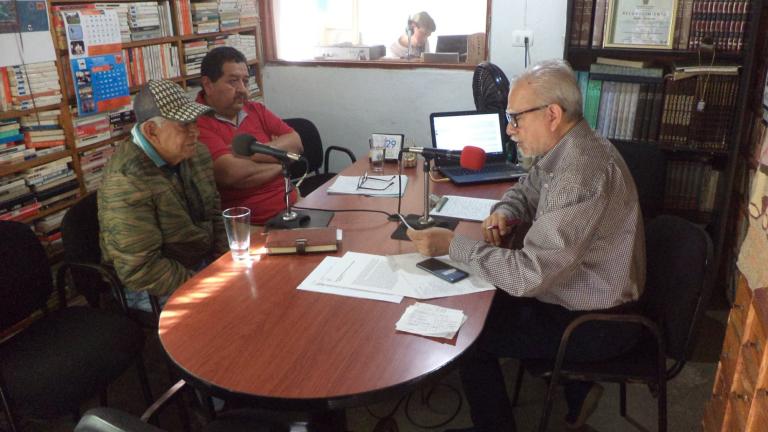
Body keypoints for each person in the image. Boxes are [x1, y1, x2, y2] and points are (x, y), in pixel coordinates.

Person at [407, 59, 646, 431]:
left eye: (516, 118)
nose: (510, 129)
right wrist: (505, 211)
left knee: (471, 335)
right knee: (479, 297)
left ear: (551, 114)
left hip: (594, 322)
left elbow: (527, 276)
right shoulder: (566, 146)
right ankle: (574, 390)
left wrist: (453, 245)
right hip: (573, 291)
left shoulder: (580, 173)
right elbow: (525, 189)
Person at [99, 80, 229, 311]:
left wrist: (225, 261)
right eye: (184, 125)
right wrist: (205, 284)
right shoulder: (126, 180)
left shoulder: (195, 153)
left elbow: (214, 213)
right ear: (151, 131)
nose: (196, 132)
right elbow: (140, 269)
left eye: (195, 122)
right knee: (227, 313)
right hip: (154, 284)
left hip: (200, 263)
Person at [195, 46, 303, 224]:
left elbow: (296, 143)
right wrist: (282, 162)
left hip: (294, 204)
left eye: (245, 81)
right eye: (233, 81)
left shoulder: (255, 109)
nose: (243, 90)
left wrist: (246, 152)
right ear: (208, 85)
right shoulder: (197, 125)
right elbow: (233, 174)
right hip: (251, 224)